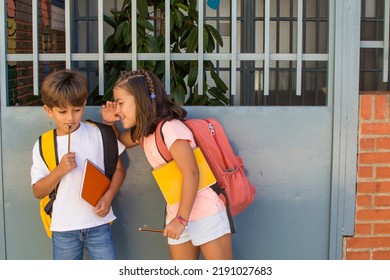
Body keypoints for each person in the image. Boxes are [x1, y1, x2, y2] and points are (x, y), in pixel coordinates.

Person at [101, 69, 232, 260]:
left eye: (121, 103)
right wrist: (109, 122)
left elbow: (191, 173)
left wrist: (181, 219)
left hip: (205, 213)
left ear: (140, 100)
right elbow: (121, 139)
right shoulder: (144, 134)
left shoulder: (171, 129)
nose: (118, 110)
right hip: (177, 215)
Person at [31, 69, 126, 260]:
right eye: (62, 111)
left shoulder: (100, 133)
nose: (70, 118)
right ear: (48, 110)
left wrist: (108, 198)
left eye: (76, 110)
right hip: (63, 229)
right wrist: (60, 170)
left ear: (84, 104)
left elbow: (119, 170)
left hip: (99, 224)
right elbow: (38, 192)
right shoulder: (43, 144)